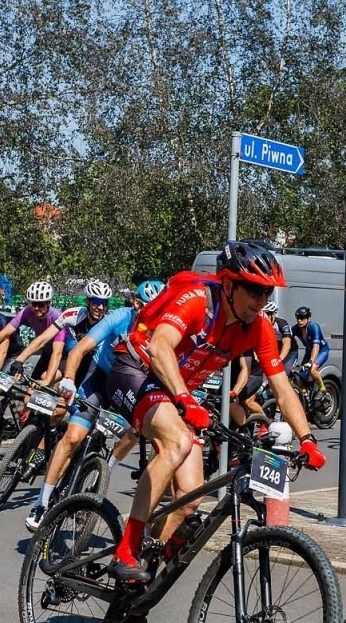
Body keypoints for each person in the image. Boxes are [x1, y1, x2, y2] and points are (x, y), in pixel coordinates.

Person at [98, 241, 326, 586]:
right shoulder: (199, 302)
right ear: (230, 285)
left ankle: (139, 585)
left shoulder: (259, 327)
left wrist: (307, 439)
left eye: (268, 292)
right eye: (255, 290)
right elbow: (160, 348)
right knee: (175, 443)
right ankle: (126, 550)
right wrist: (186, 401)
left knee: (191, 499)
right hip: (137, 369)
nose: (262, 300)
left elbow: (281, 387)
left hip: (176, 389)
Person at [27, 299, 142, 531]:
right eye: (146, 306)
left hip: (129, 386)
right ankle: (42, 502)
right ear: (137, 305)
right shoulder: (120, 317)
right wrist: (68, 379)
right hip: (100, 377)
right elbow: (79, 350)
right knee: (73, 437)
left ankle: (106, 469)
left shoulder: (163, 328)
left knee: (137, 428)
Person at [290, 306, 330, 391]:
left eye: (302, 318)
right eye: (297, 318)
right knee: (300, 375)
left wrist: (311, 361)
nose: (299, 320)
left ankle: (323, 390)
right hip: (309, 352)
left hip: (321, 351)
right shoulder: (296, 328)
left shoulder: (314, 327)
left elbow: (316, 346)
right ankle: (304, 395)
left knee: (312, 370)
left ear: (308, 318)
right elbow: (286, 340)